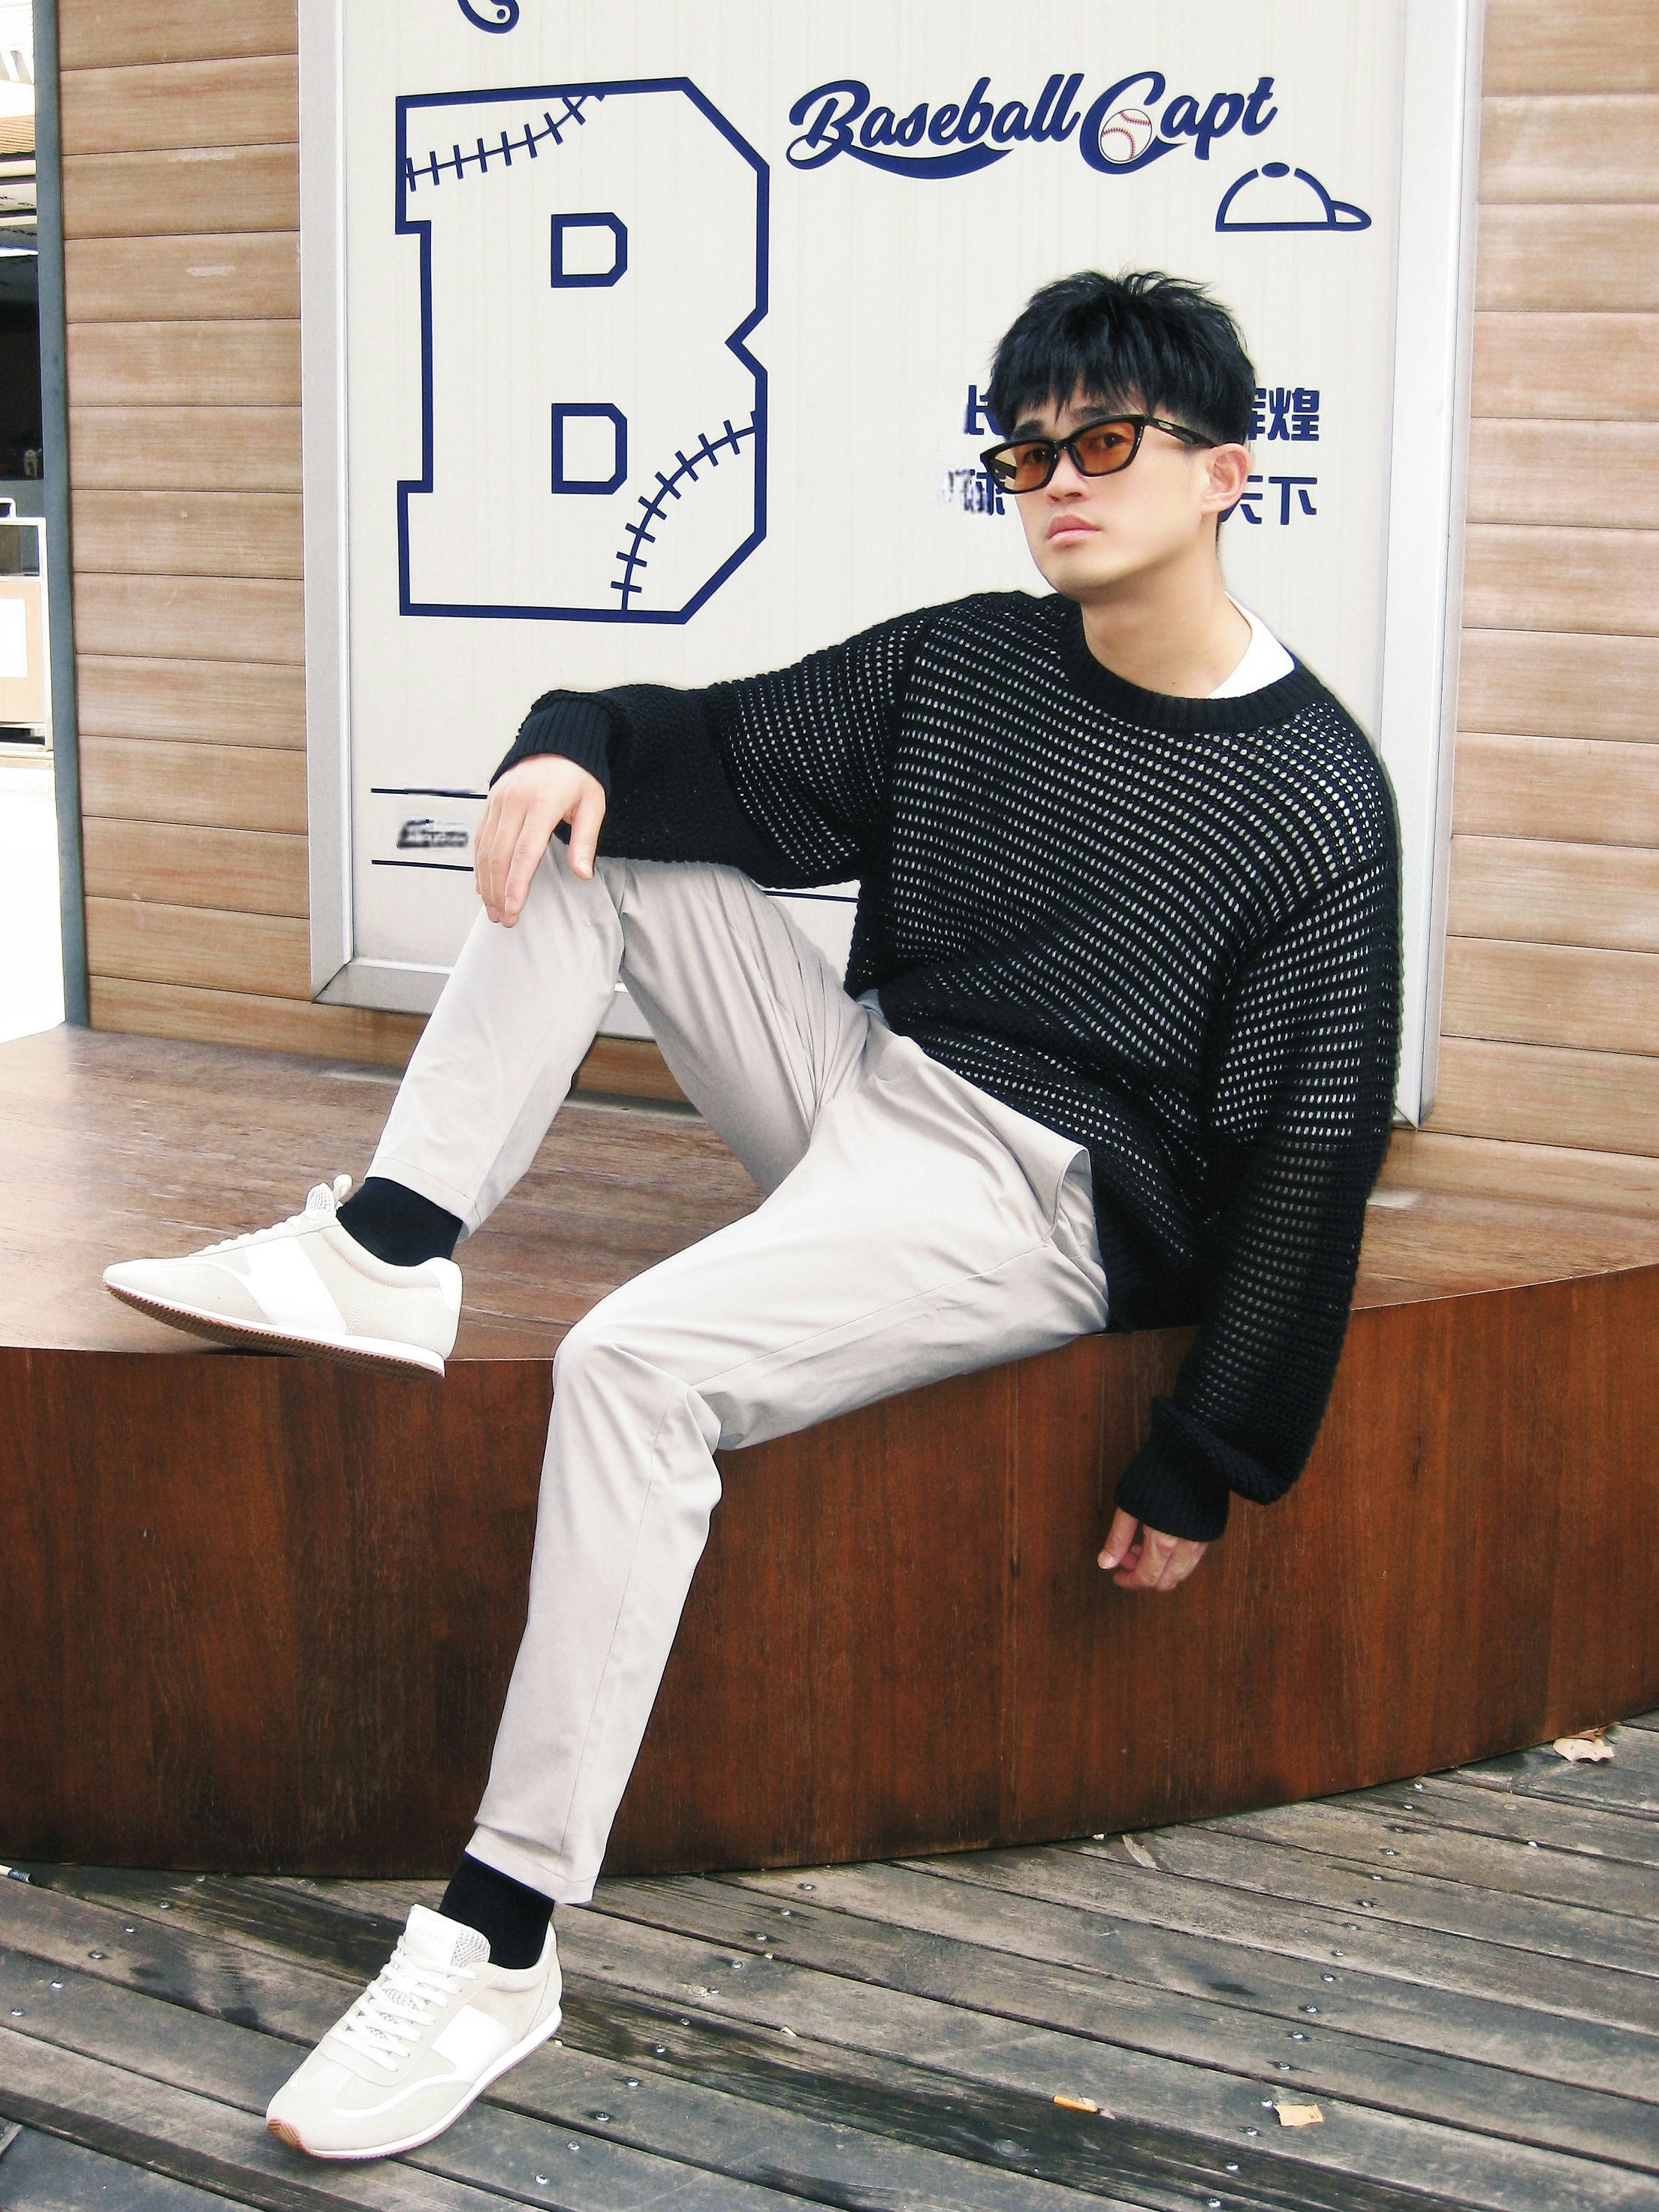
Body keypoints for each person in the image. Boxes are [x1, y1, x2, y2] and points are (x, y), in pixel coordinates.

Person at [105, 270, 1401, 2162]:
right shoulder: (972, 665)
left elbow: (1306, 1153)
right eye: (1026, 451)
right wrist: (566, 734)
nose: (1057, 480)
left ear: (1225, 472)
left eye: (1107, 441)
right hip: (871, 1082)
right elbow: (711, 742)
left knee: (632, 1366)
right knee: (595, 836)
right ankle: (386, 1250)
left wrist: (1208, 1457)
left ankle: (496, 1942)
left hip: (1039, 1198)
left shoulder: (1312, 803)